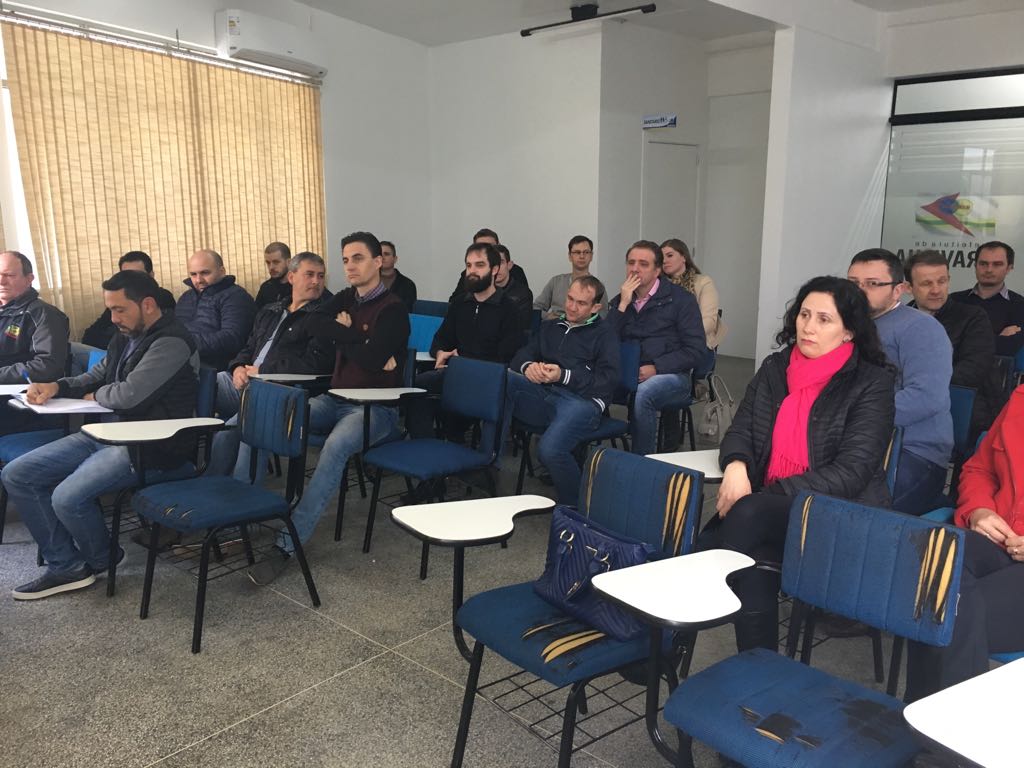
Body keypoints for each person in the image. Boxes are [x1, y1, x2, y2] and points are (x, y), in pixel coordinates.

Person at [706, 275, 895, 652]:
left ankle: (673, 623)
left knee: (745, 514)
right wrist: (737, 466)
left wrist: (770, 495)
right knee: (755, 567)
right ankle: (759, 671)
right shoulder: (776, 369)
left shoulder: (871, 383)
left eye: (824, 319)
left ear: (848, 332)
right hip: (769, 513)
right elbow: (741, 429)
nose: (808, 326)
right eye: (804, 314)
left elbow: (851, 472)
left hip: (838, 515)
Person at [2, 270, 199, 600]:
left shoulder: (172, 342)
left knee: (65, 497)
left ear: (147, 304)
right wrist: (58, 386)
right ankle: (69, 564)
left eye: (120, 309)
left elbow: (128, 395)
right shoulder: (125, 335)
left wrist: (98, 395)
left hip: (151, 444)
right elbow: (97, 376)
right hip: (108, 433)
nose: (113, 317)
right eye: (110, 309)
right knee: (18, 474)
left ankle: (92, 561)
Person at [244, 231, 409, 586]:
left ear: (378, 261)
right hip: (335, 399)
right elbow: (312, 323)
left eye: (359, 258)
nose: (350, 265)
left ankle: (287, 543)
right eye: (346, 259)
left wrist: (345, 338)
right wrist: (354, 336)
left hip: (374, 409)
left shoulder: (393, 310)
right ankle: (241, 512)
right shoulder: (346, 298)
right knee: (264, 414)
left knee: (333, 448)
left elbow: (372, 357)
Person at [905, 384, 1024, 703]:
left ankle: (925, 727)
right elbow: (980, 469)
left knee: (941, 607)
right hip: (1000, 542)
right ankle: (937, 732)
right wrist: (978, 509)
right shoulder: (1021, 400)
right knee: (929, 566)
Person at [848, 248, 953, 516]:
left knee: (857, 513)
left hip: (912, 450)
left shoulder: (920, 328)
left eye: (872, 284)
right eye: (853, 283)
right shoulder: (845, 326)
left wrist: (854, 414)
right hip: (857, 443)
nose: (859, 291)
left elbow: (926, 397)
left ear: (898, 290)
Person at [506, 276, 618, 505]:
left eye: (581, 303)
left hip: (583, 402)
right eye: (569, 299)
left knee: (549, 450)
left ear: (595, 307)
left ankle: (577, 507)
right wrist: (529, 368)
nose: (571, 307)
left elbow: (607, 381)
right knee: (501, 379)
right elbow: (521, 355)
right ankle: (487, 462)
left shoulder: (605, 334)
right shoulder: (552, 326)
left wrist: (564, 376)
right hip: (546, 394)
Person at [411, 242, 521, 441]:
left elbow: (505, 355)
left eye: (479, 265)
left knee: (455, 411)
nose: (472, 271)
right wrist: (440, 353)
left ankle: (464, 452)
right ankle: (428, 446)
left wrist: (463, 362)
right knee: (413, 389)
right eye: (468, 265)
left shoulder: (509, 309)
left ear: (494, 270)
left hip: (487, 380)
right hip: (454, 373)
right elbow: (441, 339)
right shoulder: (460, 304)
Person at [605, 240, 706, 456]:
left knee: (645, 393)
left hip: (671, 374)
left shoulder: (681, 300)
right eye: (631, 263)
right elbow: (604, 342)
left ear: (657, 270)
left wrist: (656, 367)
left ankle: (642, 462)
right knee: (581, 380)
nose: (635, 269)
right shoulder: (621, 300)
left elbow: (696, 350)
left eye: (643, 264)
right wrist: (622, 306)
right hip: (628, 373)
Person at [214, 252, 334, 420]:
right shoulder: (270, 311)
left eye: (320, 276)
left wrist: (263, 371)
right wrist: (238, 367)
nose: (316, 281)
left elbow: (314, 364)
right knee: (208, 382)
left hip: (278, 387)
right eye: (310, 275)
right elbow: (249, 347)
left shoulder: (324, 316)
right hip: (248, 379)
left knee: (232, 431)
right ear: (291, 277)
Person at [906, 249, 1000, 436]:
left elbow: (973, 368)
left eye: (942, 281)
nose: (936, 290)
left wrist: (922, 390)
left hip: (963, 406)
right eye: (926, 283)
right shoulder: (900, 319)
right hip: (909, 405)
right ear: (908, 287)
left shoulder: (972, 317)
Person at [659, 238, 728, 448]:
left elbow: (708, 321)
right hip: (668, 347)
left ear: (684, 257)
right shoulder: (659, 284)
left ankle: (669, 443)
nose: (664, 261)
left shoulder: (702, 282)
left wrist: (676, 337)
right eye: (661, 257)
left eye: (669, 255)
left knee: (668, 372)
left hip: (698, 347)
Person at [0, 250, 70, 435]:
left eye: (9, 275)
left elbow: (48, 365)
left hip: (21, 402)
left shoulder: (43, 314)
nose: (1, 281)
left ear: (29, 278)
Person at [79, 251, 177, 353]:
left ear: (151, 275)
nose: (131, 281)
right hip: (111, 352)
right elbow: (90, 335)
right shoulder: (118, 300)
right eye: (126, 275)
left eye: (137, 275)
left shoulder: (161, 297)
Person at [175, 249, 256, 370]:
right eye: (193, 274)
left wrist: (186, 344)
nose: (198, 280)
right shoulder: (185, 298)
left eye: (205, 273)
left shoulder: (236, 297)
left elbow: (232, 338)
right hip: (182, 365)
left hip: (218, 370)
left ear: (222, 271)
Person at [950, 240, 1024, 357]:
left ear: (1009, 268)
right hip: (954, 373)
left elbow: (1010, 348)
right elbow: (946, 344)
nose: (989, 269)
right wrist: (998, 338)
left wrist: (964, 339)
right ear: (975, 265)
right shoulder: (953, 301)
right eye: (983, 263)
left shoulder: (1020, 305)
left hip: (998, 374)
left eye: (997, 264)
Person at [534, 235, 606, 320]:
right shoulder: (556, 282)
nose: (582, 256)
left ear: (591, 256)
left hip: (583, 330)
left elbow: (603, 316)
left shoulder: (598, 286)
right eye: (577, 252)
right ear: (570, 256)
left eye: (586, 252)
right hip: (555, 327)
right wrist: (548, 317)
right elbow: (536, 308)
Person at [447, 228, 529, 298]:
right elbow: (454, 302)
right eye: (480, 247)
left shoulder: (516, 271)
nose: (486, 252)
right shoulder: (470, 274)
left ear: (498, 245)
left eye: (490, 247)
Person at [379, 240, 417, 312]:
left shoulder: (408, 285)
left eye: (386, 254)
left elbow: (408, 312)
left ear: (395, 259)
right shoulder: (365, 281)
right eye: (380, 255)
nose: (382, 257)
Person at [254, 242, 292, 310]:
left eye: (276, 262)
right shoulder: (266, 287)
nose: (271, 267)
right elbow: (257, 316)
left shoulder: (298, 286)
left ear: (288, 262)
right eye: (268, 263)